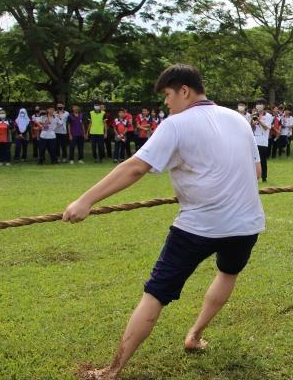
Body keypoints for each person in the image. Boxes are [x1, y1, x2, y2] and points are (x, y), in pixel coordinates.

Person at [62, 64, 264, 380]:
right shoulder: (239, 119)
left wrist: (85, 200)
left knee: (155, 293)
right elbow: (256, 173)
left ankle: (112, 370)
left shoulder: (176, 124)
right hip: (246, 225)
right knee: (228, 272)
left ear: (184, 91)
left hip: (198, 226)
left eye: (168, 96)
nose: (166, 104)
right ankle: (195, 335)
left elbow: (135, 168)